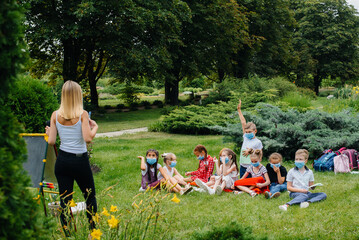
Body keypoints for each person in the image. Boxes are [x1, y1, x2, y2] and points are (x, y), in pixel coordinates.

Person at [46, 80, 98, 233]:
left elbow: (51, 141)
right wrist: (95, 127)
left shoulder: (55, 115)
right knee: (90, 197)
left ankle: (66, 233)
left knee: (65, 200)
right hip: (79, 161)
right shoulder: (82, 114)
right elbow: (88, 138)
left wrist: (50, 133)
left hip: (62, 161)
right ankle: (92, 232)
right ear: (78, 96)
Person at [237, 99, 263, 178]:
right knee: (242, 181)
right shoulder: (245, 137)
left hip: (251, 166)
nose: (247, 133)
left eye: (249, 132)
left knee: (249, 182)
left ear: (255, 131)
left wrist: (251, 151)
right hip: (242, 164)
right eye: (246, 132)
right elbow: (243, 122)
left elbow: (260, 154)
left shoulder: (258, 142)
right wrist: (239, 110)